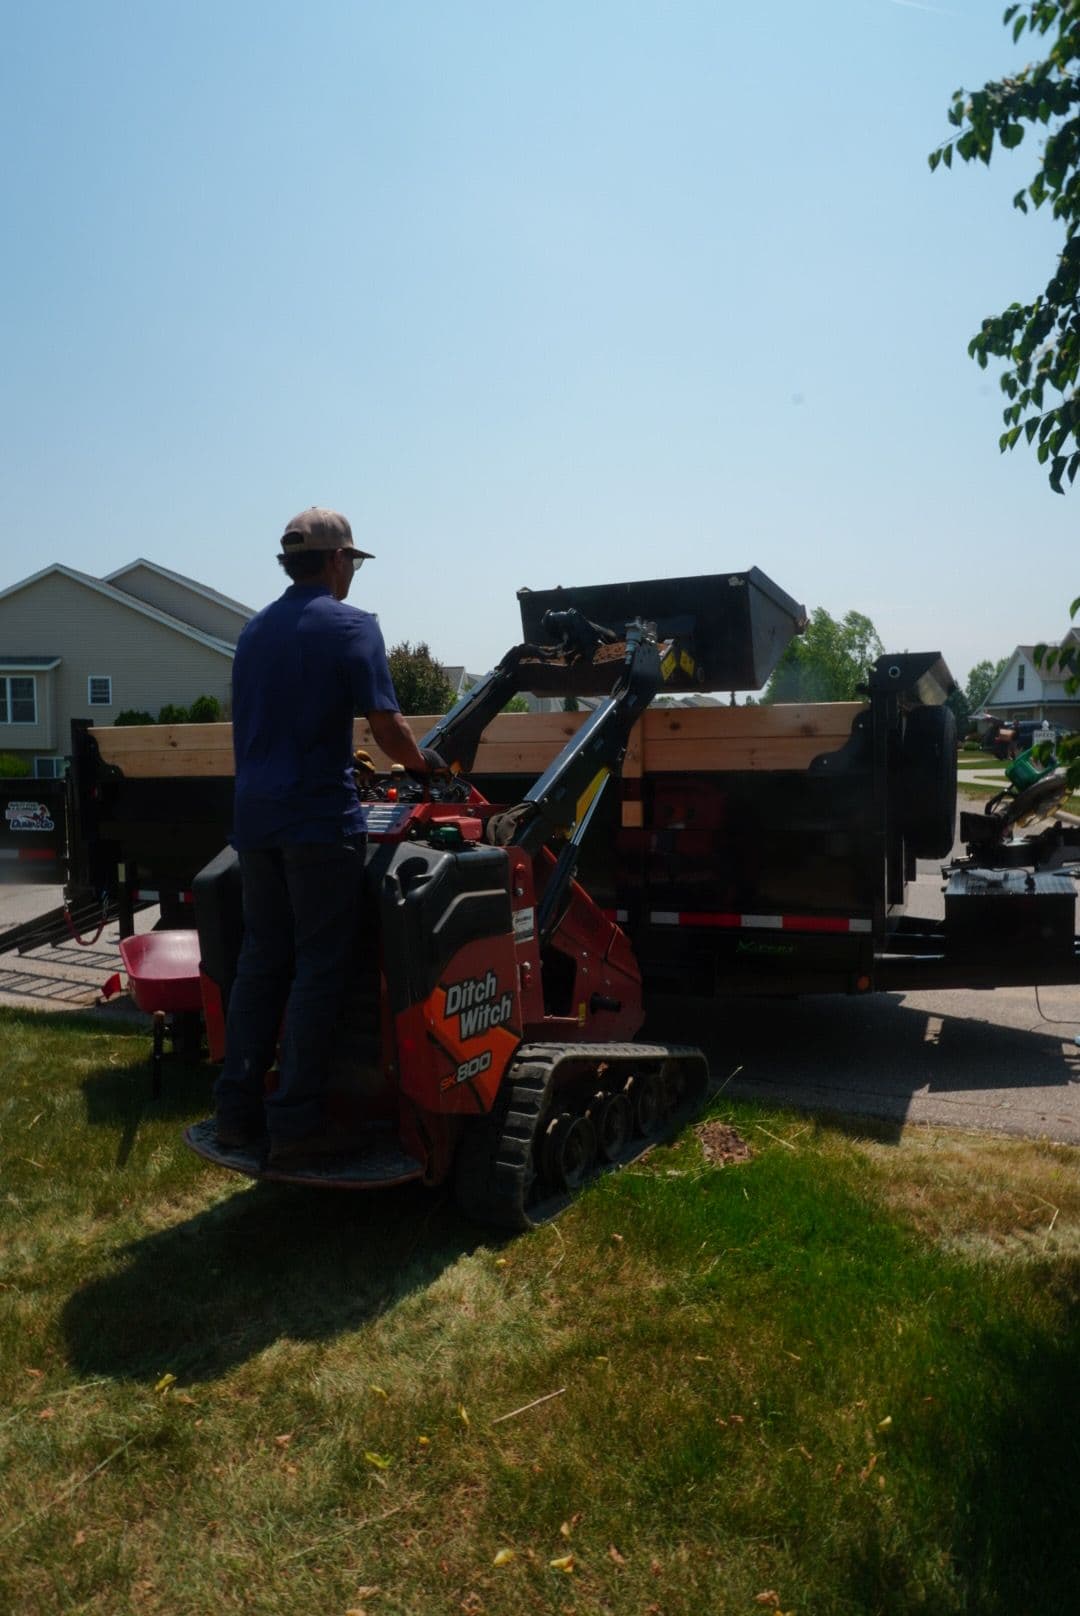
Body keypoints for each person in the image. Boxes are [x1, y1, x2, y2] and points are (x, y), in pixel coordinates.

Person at [213, 506, 435, 1168]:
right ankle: (299, 1124)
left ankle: (236, 1112)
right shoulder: (352, 626)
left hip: (254, 821)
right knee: (319, 965)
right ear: (337, 562)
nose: (353, 576)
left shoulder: (254, 631)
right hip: (316, 823)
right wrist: (434, 768)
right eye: (353, 565)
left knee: (261, 961)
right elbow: (391, 734)